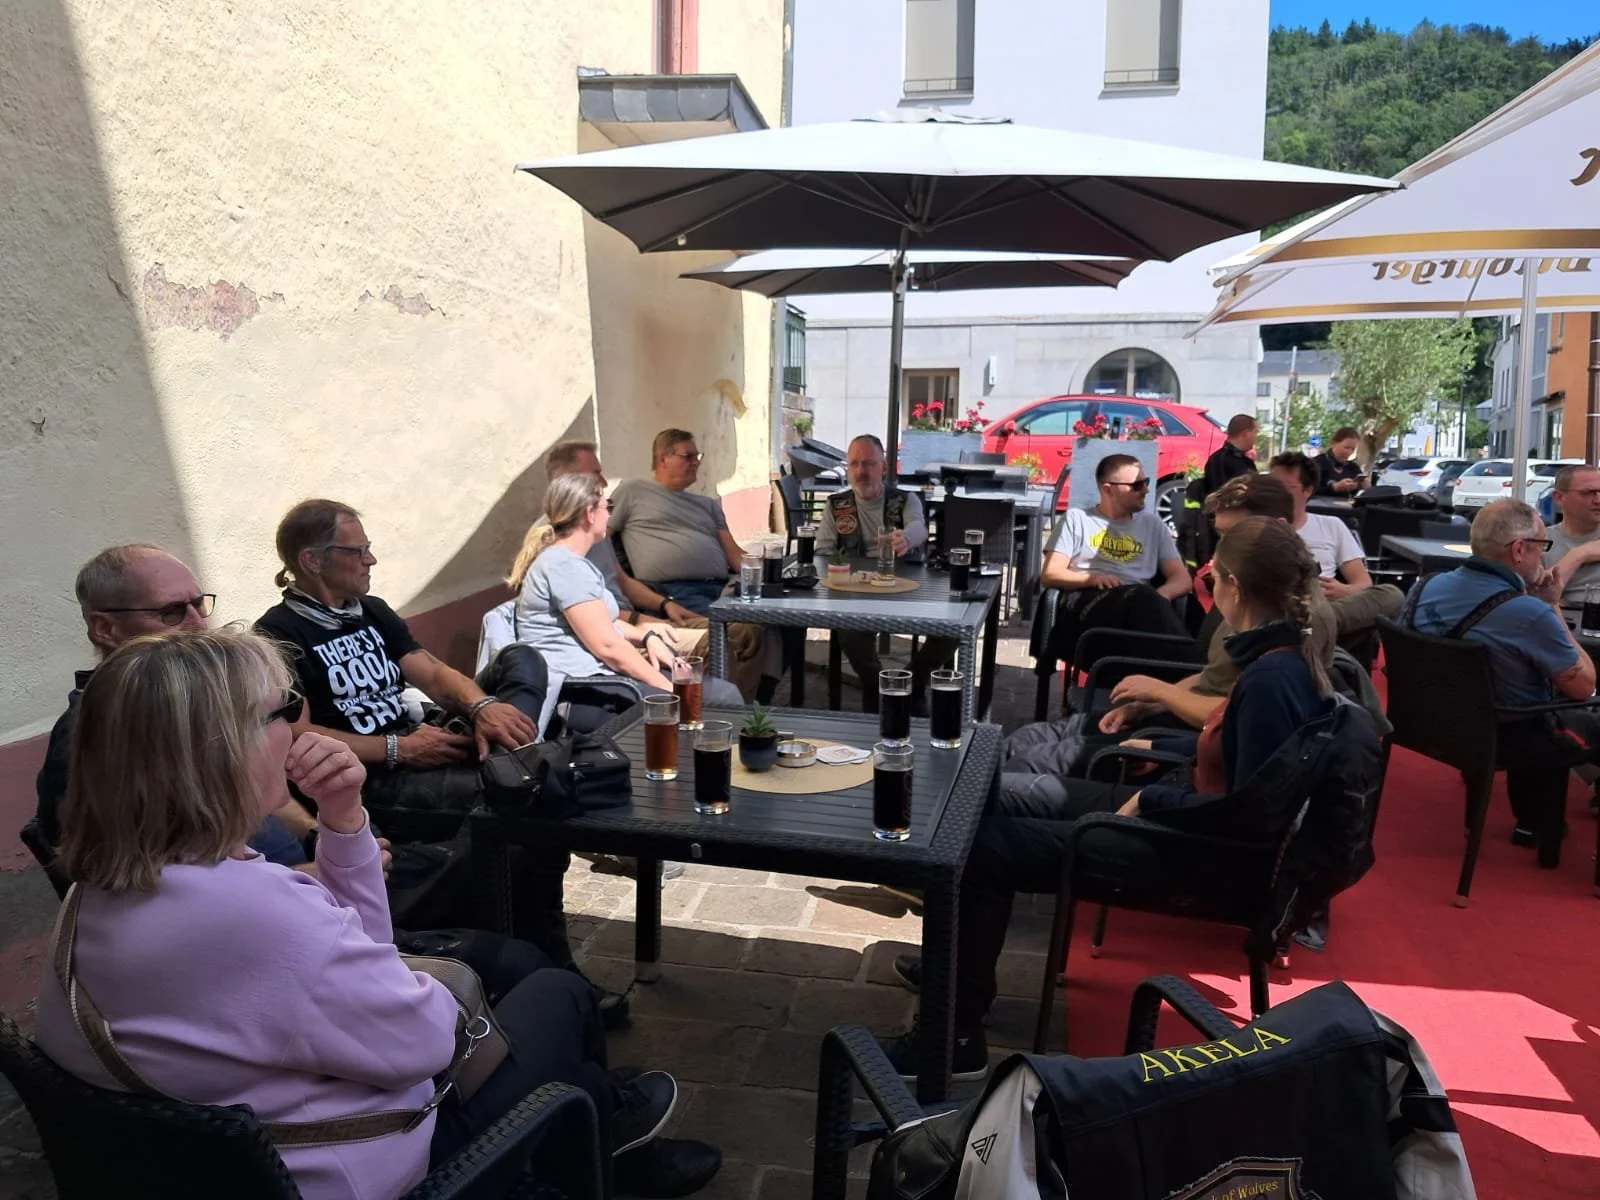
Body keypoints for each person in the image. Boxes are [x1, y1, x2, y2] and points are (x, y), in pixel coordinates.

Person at [32, 628, 719, 1199]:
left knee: (524, 1013)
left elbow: (355, 951)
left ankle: (601, 1135)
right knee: (559, 996)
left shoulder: (105, 886)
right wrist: (436, 990)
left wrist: (343, 819)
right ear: (223, 751)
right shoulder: (253, 908)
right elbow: (424, 1042)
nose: (298, 724)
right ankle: (604, 1154)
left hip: (228, 1158)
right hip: (364, 1169)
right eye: (284, 708)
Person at [35, 544, 631, 1022]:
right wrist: (311, 866)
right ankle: (531, 1009)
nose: (197, 623)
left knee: (518, 829)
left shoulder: (189, 704)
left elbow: (260, 798)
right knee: (514, 855)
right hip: (283, 911)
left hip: (304, 881)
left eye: (199, 604)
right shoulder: (101, 735)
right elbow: (126, 877)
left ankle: (536, 985)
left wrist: (325, 834)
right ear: (105, 628)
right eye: (173, 612)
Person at [882, 517, 1335, 1079]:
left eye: (1214, 577)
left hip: (1194, 854)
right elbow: (1239, 764)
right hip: (1186, 819)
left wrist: (1151, 803)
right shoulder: (1283, 659)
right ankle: (958, 977)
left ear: (1236, 589)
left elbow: (1251, 816)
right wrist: (1163, 742)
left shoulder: (1272, 680)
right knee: (992, 796)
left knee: (985, 847)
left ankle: (952, 1037)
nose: (1208, 585)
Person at [255, 500, 572, 958]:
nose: (370, 559)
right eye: (358, 551)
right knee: (529, 802)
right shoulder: (279, 634)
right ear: (312, 560)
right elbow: (298, 734)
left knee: (522, 659)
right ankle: (549, 952)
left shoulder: (370, 611)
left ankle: (505, 754)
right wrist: (398, 749)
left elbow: (433, 673)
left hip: (421, 733)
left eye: (368, 548)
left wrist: (482, 707)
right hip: (376, 776)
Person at [1008, 475, 1337, 782]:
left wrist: (1161, 694)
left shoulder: (1291, 619)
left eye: (1234, 535)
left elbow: (1237, 719)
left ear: (1277, 528)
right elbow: (1211, 675)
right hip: (1173, 721)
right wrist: (1149, 704)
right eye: (1221, 536)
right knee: (1022, 742)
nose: (1221, 551)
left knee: (1024, 765)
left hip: (1185, 748)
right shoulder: (1252, 595)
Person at [1403, 498, 1600, 854]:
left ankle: (1533, 821)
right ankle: (1544, 823)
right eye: (1541, 546)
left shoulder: (1425, 587)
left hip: (1429, 725)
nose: (1544, 556)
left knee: (1532, 697)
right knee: (1565, 715)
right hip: (1506, 735)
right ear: (1519, 550)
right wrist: (1550, 604)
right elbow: (1584, 686)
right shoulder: (1528, 613)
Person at [507, 472, 743, 727]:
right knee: (721, 697)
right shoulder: (564, 567)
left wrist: (646, 636)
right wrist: (672, 691)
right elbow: (608, 647)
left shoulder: (570, 562)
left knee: (720, 692)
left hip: (598, 677)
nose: (609, 515)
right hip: (580, 690)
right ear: (589, 514)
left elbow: (602, 623)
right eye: (606, 507)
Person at [542, 440, 765, 700]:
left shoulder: (592, 536)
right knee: (717, 643)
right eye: (596, 473)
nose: (603, 482)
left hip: (634, 621)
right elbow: (602, 635)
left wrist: (665, 605)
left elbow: (623, 581)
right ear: (569, 480)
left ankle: (738, 710)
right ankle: (704, 709)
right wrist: (646, 629)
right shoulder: (560, 550)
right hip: (614, 640)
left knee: (749, 633)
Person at [608, 429, 781, 701]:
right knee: (749, 633)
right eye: (687, 456)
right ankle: (731, 708)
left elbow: (735, 556)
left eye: (697, 456)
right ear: (662, 459)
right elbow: (598, 537)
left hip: (723, 590)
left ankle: (745, 705)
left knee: (776, 626)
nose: (696, 463)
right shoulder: (633, 492)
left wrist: (772, 571)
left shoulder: (708, 505)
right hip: (676, 594)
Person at [814, 434, 958, 711]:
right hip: (855, 592)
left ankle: (912, 682)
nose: (861, 471)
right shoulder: (836, 505)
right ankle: (876, 687)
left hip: (906, 589)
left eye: (868, 463)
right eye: (854, 464)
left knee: (951, 630)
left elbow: (919, 527)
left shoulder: (906, 499)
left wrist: (906, 538)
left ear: (883, 467)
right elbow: (822, 553)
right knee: (850, 634)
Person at [1041, 454, 1191, 663]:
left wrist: (1162, 595)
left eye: (1146, 482)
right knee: (1144, 606)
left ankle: (1174, 671)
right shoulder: (1078, 519)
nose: (1146, 490)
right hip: (1091, 601)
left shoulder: (1153, 525)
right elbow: (1050, 574)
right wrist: (1092, 579)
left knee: (1168, 608)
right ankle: (1189, 670)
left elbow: (1182, 579)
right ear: (1108, 489)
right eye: (1136, 485)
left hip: (1142, 605)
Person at [1269, 451, 1404, 639]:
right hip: (1276, 607)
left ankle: (1313, 626)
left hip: (1324, 607)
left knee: (1392, 595)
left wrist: (1345, 591)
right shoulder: (1257, 525)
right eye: (1271, 486)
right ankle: (1310, 627)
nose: (1275, 493)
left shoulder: (1331, 525)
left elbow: (1363, 582)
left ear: (1308, 490)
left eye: (1286, 487)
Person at [1543, 464, 1600, 608]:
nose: (1598, 500)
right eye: (1588, 493)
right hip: (1559, 618)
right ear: (1559, 497)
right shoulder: (1540, 541)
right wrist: (1580, 554)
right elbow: (1540, 594)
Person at [1201, 414, 1258, 495]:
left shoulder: (1245, 460)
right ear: (1245, 433)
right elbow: (1219, 492)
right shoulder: (1220, 460)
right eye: (1255, 432)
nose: (1256, 437)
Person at [1316, 427, 1365, 496]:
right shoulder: (1315, 463)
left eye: (1353, 449)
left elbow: (1357, 495)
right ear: (1333, 443)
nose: (1349, 452)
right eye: (1346, 447)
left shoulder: (1353, 467)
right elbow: (1306, 490)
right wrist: (1334, 488)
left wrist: (1362, 486)